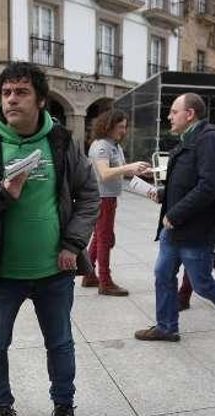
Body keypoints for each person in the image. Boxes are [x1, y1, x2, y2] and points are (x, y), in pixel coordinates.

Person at [0, 62, 99, 416]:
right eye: (7, 92)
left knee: (61, 343)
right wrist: (1, 193)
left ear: (40, 98)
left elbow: (89, 195)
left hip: (55, 270)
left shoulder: (62, 142)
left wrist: (72, 244)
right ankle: (2, 407)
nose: (12, 99)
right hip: (1, 273)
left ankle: (64, 406)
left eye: (21, 92)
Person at [135, 93, 215, 343]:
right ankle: (166, 327)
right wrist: (163, 193)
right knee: (163, 274)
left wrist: (176, 213)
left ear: (189, 114)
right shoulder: (187, 140)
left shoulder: (209, 139)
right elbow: (187, 180)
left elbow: (209, 185)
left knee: (202, 283)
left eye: (174, 111)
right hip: (175, 227)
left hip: (196, 228)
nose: (169, 116)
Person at [81, 109, 150, 296]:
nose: (123, 131)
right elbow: (104, 173)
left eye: (125, 127)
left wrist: (140, 171)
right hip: (102, 198)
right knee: (105, 239)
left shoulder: (114, 145)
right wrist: (130, 167)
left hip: (109, 198)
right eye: (120, 127)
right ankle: (105, 281)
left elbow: (120, 170)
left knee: (100, 237)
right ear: (108, 126)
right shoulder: (102, 146)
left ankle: (88, 275)